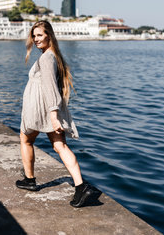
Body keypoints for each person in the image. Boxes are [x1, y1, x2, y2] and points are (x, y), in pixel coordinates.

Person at [16, 20, 99, 207]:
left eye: (39, 35)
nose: (36, 39)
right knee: (60, 146)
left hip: (41, 108)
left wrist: (53, 115)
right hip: (49, 107)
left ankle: (29, 180)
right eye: (34, 36)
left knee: (26, 139)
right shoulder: (54, 56)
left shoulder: (46, 58)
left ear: (49, 35)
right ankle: (81, 186)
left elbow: (49, 87)